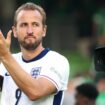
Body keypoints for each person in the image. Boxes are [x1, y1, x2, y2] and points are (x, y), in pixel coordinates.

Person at [0, 2, 70, 105]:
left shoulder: (57, 61)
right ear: (15, 31)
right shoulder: (6, 62)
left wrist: (5, 55)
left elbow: (35, 92)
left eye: (35, 24)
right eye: (24, 25)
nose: (29, 31)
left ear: (44, 30)